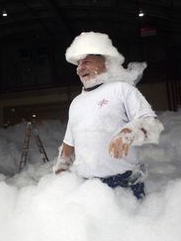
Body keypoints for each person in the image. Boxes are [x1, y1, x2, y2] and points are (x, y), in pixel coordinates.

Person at [53, 31, 164, 199]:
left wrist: (129, 132)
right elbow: (69, 144)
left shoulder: (122, 90)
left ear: (105, 63)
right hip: (89, 186)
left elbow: (152, 125)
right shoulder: (76, 103)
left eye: (87, 62)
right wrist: (60, 172)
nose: (79, 68)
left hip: (124, 184)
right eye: (78, 64)